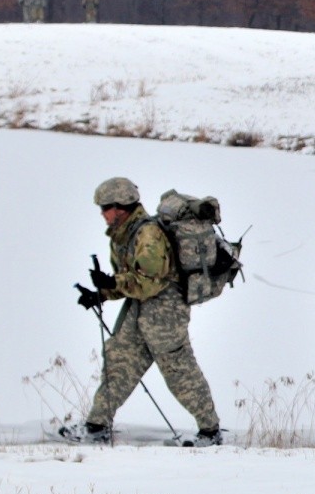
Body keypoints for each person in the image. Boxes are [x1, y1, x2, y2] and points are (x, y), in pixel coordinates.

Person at [63, 177, 221, 445]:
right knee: (119, 363)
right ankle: (96, 426)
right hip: (142, 308)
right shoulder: (124, 233)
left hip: (165, 313)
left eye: (105, 207)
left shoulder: (148, 236)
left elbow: (150, 281)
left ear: (120, 206)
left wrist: (113, 284)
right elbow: (132, 279)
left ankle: (210, 431)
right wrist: (101, 293)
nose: (102, 213)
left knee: (179, 371)